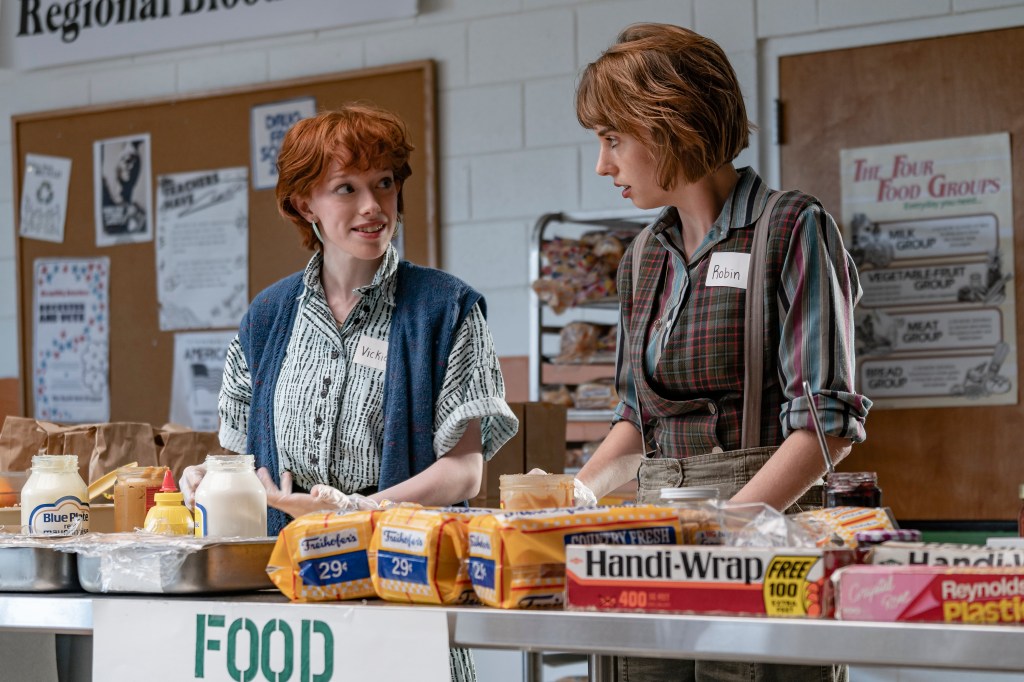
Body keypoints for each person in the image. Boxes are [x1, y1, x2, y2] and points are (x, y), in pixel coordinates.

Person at [572, 23, 871, 681]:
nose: (602, 165)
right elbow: (636, 419)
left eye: (613, 139)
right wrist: (570, 501)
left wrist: (723, 533)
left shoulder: (791, 227)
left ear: (669, 124)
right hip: (657, 540)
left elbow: (826, 425)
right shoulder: (642, 257)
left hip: (764, 539)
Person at [179, 103, 518, 682]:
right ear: (303, 204)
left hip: (404, 593)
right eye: (346, 189)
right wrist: (208, 477)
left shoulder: (446, 308)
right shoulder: (267, 316)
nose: (373, 207)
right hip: (288, 614)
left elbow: (465, 472)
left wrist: (356, 511)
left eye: (384, 183)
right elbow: (241, 457)